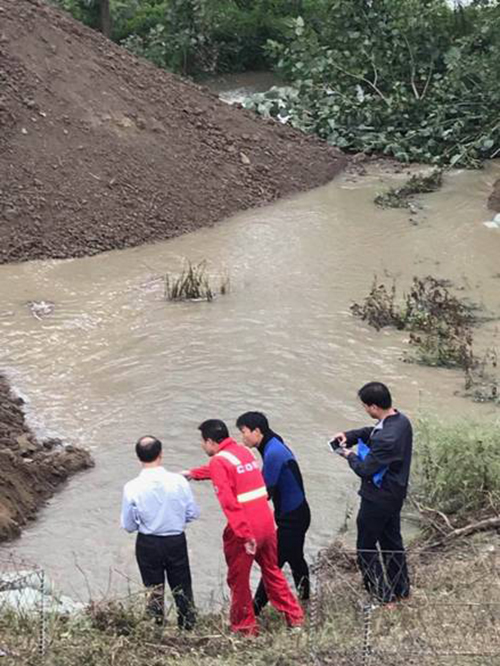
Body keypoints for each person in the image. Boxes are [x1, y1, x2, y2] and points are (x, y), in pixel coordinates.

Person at [188, 419, 304, 636]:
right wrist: (193, 473)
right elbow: (227, 470)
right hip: (266, 523)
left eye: (202, 442)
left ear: (211, 442)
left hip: (245, 528)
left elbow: (228, 503)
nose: (202, 446)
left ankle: (245, 628)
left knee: (238, 580)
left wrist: (244, 534)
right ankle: (295, 618)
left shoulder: (218, 461)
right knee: (272, 571)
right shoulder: (243, 452)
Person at [332, 382, 412, 604]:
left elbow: (365, 469)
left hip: (377, 498)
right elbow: (372, 432)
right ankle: (401, 591)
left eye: (366, 406)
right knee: (392, 544)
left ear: (374, 407)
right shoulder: (401, 421)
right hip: (395, 494)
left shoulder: (387, 439)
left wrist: (348, 455)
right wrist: (350, 436)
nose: (366, 410)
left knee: (365, 548)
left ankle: (382, 597)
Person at [235, 411, 310, 615]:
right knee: (296, 559)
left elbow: (264, 492)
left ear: (257, 431)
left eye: (244, 432)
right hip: (297, 514)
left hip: (292, 519)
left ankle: (254, 610)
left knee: (272, 565)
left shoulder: (273, 453)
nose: (242, 437)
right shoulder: (272, 442)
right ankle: (305, 601)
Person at [121, 435, 199, 629]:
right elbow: (192, 513)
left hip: (148, 542)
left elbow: (128, 525)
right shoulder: (179, 481)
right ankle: (188, 628)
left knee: (153, 590)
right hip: (175, 540)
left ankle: (156, 628)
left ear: (138, 457)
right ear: (161, 454)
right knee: (182, 588)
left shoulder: (132, 487)